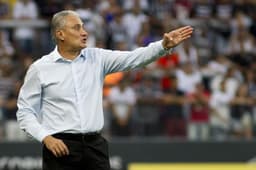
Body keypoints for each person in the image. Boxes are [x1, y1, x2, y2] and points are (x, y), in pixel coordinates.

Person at [16, 10, 193, 170]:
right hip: (59, 148)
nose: (84, 33)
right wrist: (46, 137)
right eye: (77, 28)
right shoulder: (40, 68)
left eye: (83, 28)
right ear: (60, 34)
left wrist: (162, 46)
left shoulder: (97, 58)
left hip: (95, 148)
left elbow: (133, 58)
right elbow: (25, 112)